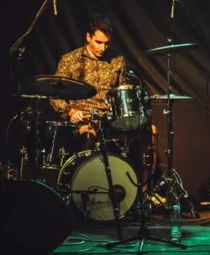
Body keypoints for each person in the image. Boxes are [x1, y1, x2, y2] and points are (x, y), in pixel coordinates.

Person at [49, 14, 157, 186]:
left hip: (110, 118)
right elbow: (55, 94)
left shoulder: (117, 60)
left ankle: (142, 191)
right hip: (84, 118)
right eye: (98, 42)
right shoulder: (70, 60)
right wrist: (70, 111)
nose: (103, 48)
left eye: (107, 43)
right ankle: (81, 185)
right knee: (88, 134)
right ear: (88, 37)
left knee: (149, 131)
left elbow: (124, 91)